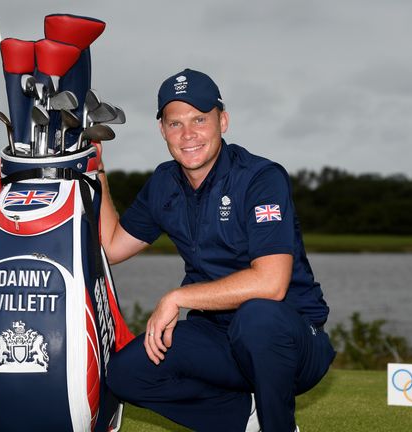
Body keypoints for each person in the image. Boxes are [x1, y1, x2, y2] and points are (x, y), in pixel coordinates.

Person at [99, 68, 335, 432]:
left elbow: (271, 283)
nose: (188, 134)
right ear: (162, 130)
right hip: (218, 337)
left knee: (257, 317)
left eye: (199, 119)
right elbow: (113, 247)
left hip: (291, 337)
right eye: (175, 123)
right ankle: (245, 417)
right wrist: (95, 171)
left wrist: (176, 298)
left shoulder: (260, 177)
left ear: (222, 121)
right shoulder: (164, 182)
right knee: (127, 373)